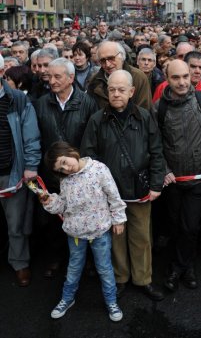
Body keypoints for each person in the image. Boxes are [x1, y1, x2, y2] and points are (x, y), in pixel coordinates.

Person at [81, 69, 165, 301]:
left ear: (132, 91)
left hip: (140, 190)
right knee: (116, 239)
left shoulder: (145, 117)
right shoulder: (97, 119)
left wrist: (156, 184)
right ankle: (120, 278)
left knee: (141, 237)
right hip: (110, 194)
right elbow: (88, 156)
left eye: (121, 90)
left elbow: (157, 152)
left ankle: (143, 279)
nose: (116, 94)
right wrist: (97, 189)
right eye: (111, 89)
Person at [153, 60, 201, 291]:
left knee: (191, 226)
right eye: (176, 77)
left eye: (185, 76)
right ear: (167, 77)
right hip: (173, 181)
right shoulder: (158, 108)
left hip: (198, 179)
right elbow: (154, 145)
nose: (183, 81)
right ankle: (182, 265)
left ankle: (180, 267)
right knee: (175, 225)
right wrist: (165, 171)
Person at [40, 141, 126, 321]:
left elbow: (113, 195)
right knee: (73, 268)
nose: (65, 169)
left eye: (64, 162)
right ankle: (67, 298)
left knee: (104, 268)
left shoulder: (99, 169)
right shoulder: (65, 180)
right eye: (60, 169)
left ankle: (111, 301)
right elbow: (63, 205)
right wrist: (50, 202)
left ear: (70, 151)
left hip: (100, 231)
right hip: (75, 234)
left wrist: (118, 219)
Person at [34, 57, 98, 276]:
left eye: (57, 76)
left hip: (78, 173)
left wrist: (82, 168)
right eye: (49, 76)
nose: (51, 81)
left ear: (71, 78)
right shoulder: (41, 103)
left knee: (82, 215)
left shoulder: (87, 103)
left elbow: (92, 139)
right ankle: (56, 257)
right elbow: (37, 137)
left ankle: (87, 260)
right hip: (51, 173)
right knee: (53, 219)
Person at [0, 54, 41, 286]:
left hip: (11, 172)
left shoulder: (17, 100)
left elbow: (31, 136)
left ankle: (19, 262)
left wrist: (31, 166)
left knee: (15, 223)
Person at [87, 41, 152, 110]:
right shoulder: (95, 81)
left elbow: (144, 110)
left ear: (121, 56)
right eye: (103, 60)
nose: (108, 64)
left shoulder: (139, 78)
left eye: (111, 58)